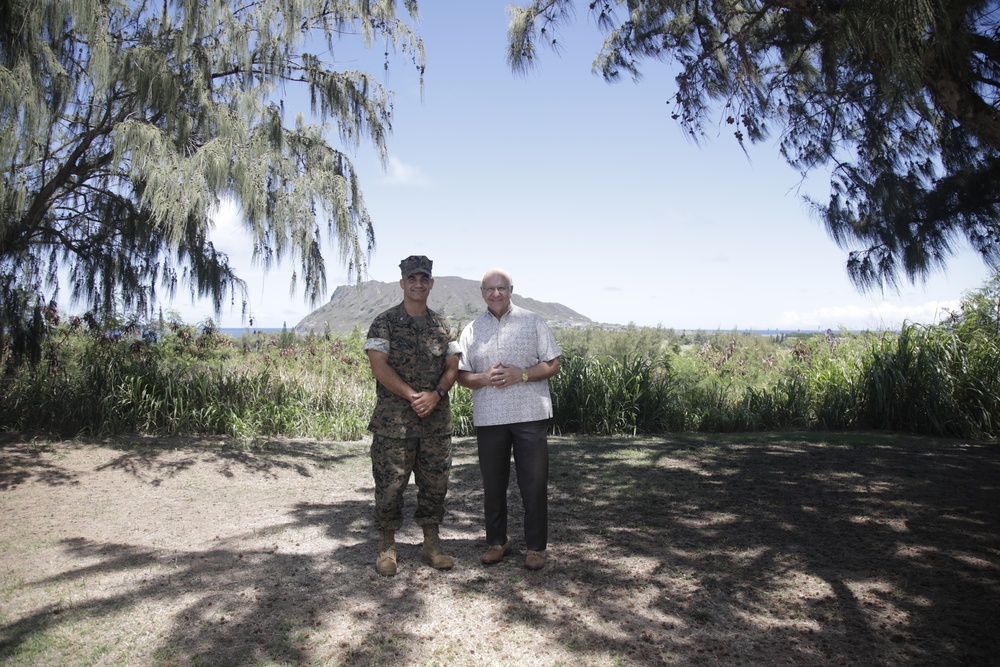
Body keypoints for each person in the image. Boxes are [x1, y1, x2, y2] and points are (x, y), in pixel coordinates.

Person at [456, 268, 561, 571]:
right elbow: (462, 375)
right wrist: (483, 377)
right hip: (490, 417)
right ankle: (497, 542)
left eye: (501, 288)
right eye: (490, 289)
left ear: (511, 290)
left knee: (534, 483)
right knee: (493, 484)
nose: (496, 294)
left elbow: (553, 364)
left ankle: (536, 548)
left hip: (530, 414)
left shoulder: (533, 321)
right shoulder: (472, 330)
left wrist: (523, 374)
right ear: (482, 292)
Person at [363, 255, 460, 576]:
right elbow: (379, 366)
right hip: (395, 425)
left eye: (424, 278)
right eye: (412, 279)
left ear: (431, 283)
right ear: (403, 283)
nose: (418, 284)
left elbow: (452, 367)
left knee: (435, 485)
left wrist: (436, 395)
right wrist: (412, 395)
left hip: (435, 424)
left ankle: (431, 545)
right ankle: (387, 547)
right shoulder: (384, 323)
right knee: (390, 487)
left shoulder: (443, 325)